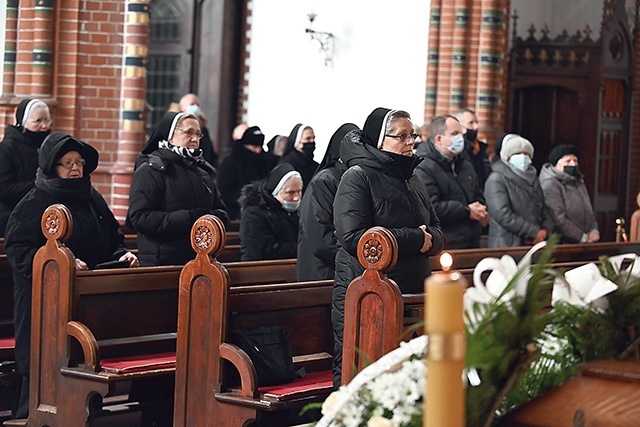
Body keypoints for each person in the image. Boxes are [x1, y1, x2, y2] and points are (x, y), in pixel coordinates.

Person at [5, 132, 138, 419]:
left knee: (82, 376)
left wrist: (120, 256)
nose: (75, 168)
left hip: (86, 303)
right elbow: (18, 249)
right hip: (42, 307)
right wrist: (61, 264)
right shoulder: (36, 200)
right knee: (42, 379)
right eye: (67, 163)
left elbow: (113, 239)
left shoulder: (93, 198)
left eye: (79, 162)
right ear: (52, 166)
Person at [332, 107, 445, 387]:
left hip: (414, 289)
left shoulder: (413, 179)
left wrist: (430, 239)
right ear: (379, 140)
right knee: (363, 374)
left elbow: (438, 232)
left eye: (413, 135)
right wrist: (416, 238)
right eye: (402, 136)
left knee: (407, 378)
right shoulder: (358, 176)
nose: (411, 142)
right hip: (369, 290)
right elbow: (355, 237)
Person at [127, 111, 229, 266]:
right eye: (188, 133)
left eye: (198, 134)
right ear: (169, 135)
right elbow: (140, 218)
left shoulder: (201, 172)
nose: (194, 139)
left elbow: (222, 212)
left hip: (200, 260)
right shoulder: (150, 170)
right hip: (162, 263)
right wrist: (190, 217)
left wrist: (210, 219)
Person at [297, 123, 359, 281]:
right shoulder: (324, 181)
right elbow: (321, 239)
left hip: (345, 270)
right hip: (322, 272)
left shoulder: (355, 178)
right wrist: (354, 260)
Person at [415, 115, 488, 249]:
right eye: (454, 134)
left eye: (461, 133)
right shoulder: (423, 167)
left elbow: (477, 192)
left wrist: (480, 208)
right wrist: (466, 211)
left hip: (471, 239)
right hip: (445, 242)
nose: (460, 138)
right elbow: (432, 207)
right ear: (439, 139)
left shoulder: (464, 164)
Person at [484, 134, 553, 248]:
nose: (523, 156)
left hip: (533, 243)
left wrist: (544, 230)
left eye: (526, 154)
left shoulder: (533, 178)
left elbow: (543, 208)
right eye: (517, 153)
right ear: (507, 157)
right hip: (507, 243)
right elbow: (503, 214)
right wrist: (533, 232)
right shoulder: (497, 179)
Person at [0, 99, 52, 236]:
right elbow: (3, 189)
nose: (44, 125)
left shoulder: (48, 146)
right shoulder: (7, 149)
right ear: (23, 122)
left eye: (47, 120)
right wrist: (39, 185)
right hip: (11, 214)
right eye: (38, 121)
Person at [238, 163, 302, 261]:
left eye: (299, 191)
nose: (296, 197)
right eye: (290, 193)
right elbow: (264, 250)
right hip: (259, 271)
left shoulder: (294, 212)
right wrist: (302, 249)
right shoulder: (254, 213)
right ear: (275, 192)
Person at [539, 144, 599, 243]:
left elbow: (588, 210)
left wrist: (594, 230)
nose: (573, 164)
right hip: (563, 241)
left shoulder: (578, 181)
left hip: (585, 239)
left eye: (575, 161)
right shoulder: (550, 183)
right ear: (556, 164)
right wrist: (581, 237)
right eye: (568, 161)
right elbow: (558, 217)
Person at [217, 126, 273, 219]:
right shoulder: (231, 162)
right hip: (236, 213)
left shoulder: (264, 161)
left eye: (260, 147)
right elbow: (224, 192)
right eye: (254, 147)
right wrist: (247, 199)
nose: (258, 151)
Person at [454, 108, 491, 189]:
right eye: (471, 123)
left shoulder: (481, 149)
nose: (476, 127)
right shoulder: (457, 150)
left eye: (477, 123)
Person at [178, 93, 218, 167]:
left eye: (197, 105)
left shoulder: (203, 129)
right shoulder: (175, 126)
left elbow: (209, 152)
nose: (195, 107)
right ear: (181, 107)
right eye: (192, 104)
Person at [278, 123, 318, 188]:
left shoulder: (314, 165)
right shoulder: (288, 163)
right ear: (297, 141)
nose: (312, 141)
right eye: (307, 139)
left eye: (313, 138)